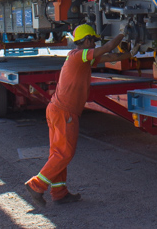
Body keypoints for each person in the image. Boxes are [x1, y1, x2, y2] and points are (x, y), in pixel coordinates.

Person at [25, 24, 131, 206]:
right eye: (93, 40)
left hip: (58, 109)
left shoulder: (83, 59)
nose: (94, 44)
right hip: (64, 111)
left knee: (58, 153)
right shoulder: (77, 56)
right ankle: (36, 185)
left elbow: (111, 56)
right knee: (64, 153)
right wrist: (123, 32)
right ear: (87, 40)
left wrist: (132, 52)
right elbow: (106, 48)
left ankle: (59, 192)